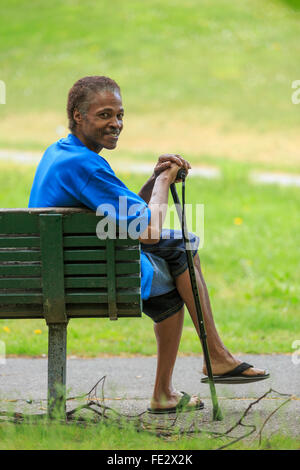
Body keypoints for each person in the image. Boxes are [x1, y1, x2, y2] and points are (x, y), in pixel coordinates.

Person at [29, 76, 269, 414]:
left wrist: (153, 181)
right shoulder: (84, 165)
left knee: (178, 249)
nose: (116, 124)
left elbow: (129, 216)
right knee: (177, 254)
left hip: (59, 271)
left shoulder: (62, 152)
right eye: (105, 115)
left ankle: (205, 363)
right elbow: (149, 231)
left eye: (120, 115)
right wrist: (164, 182)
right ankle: (205, 363)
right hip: (86, 279)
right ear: (78, 115)